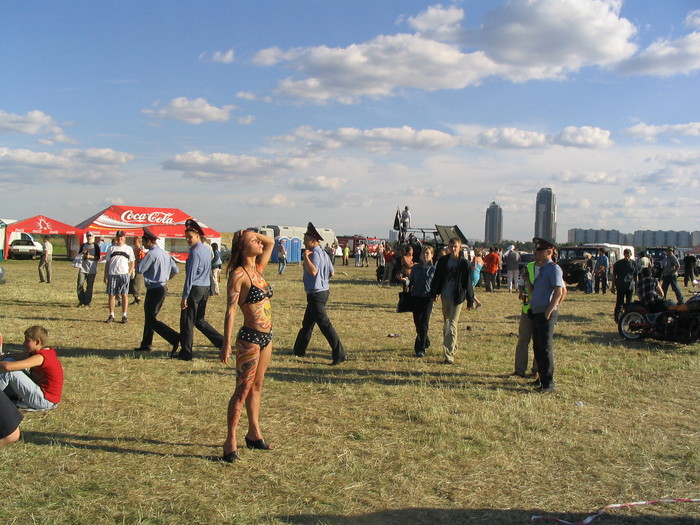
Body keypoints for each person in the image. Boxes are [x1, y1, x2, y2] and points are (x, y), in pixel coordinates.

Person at [219, 230, 275, 462]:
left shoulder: (259, 269)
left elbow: (271, 241)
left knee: (257, 387)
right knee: (242, 390)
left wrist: (252, 234)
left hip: (267, 337)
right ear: (242, 249)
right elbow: (230, 311)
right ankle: (230, 441)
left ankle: (254, 433)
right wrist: (226, 344)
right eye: (253, 241)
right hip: (249, 339)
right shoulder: (239, 275)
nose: (259, 242)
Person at [293, 223, 347, 365]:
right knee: (307, 324)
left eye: (305, 239)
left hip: (316, 293)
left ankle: (340, 354)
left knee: (324, 325)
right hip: (322, 291)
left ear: (313, 240)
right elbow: (332, 273)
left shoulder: (314, 254)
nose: (304, 242)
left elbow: (313, 271)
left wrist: (306, 258)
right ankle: (298, 350)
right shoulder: (324, 253)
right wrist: (323, 280)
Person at [176, 220, 224, 361]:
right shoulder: (206, 250)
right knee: (199, 320)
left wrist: (185, 296)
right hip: (205, 288)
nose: (187, 239)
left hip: (195, 288)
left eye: (190, 237)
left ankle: (186, 353)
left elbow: (190, 276)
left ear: (197, 236)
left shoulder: (195, 252)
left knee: (187, 322)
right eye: (186, 237)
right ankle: (221, 341)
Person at [133, 229, 180, 355]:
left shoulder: (151, 254)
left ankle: (174, 337)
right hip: (162, 287)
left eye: (144, 241)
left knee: (151, 319)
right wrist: (165, 278)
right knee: (150, 317)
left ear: (148, 241)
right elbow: (175, 270)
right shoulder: (164, 253)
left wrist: (137, 256)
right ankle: (146, 344)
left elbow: (140, 269)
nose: (143, 244)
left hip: (154, 289)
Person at [529, 238, 566, 393]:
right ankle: (540, 378)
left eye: (539, 252)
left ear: (549, 252)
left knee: (544, 348)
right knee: (537, 347)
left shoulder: (553, 269)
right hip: (536, 312)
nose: (536, 255)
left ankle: (548, 383)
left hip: (545, 314)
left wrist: (549, 311)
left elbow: (559, 291)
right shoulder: (543, 269)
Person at [430, 237, 474, 364]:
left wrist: (470, 300)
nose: (453, 249)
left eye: (455, 247)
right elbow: (437, 278)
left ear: (459, 248)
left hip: (457, 297)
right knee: (446, 324)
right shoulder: (443, 261)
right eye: (451, 247)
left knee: (452, 324)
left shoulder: (464, 263)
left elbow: (468, 283)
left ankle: (448, 355)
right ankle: (452, 347)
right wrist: (434, 293)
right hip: (445, 295)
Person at [0, 325, 63, 410]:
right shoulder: (37, 352)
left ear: (37, 341)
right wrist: (4, 356)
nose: (24, 343)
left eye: (27, 340)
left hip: (45, 401)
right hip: (39, 394)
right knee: (9, 360)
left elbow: (7, 367)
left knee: (10, 372)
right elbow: (10, 357)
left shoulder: (41, 357)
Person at [406, 245, 436, 357]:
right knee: (417, 322)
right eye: (423, 253)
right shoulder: (415, 268)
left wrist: (437, 294)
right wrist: (405, 281)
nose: (425, 255)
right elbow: (411, 281)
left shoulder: (433, 270)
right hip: (416, 296)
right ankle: (426, 340)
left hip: (428, 298)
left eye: (427, 253)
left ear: (432, 255)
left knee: (424, 323)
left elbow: (436, 284)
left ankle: (420, 348)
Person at [512, 258, 539, 378]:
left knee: (539, 342)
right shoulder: (528, 267)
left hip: (541, 310)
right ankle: (519, 370)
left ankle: (537, 370)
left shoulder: (550, 269)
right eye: (535, 253)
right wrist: (522, 291)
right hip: (527, 309)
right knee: (523, 340)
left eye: (538, 253)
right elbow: (521, 285)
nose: (536, 256)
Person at [103, 230, 135, 324]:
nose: (120, 239)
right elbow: (107, 263)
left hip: (124, 274)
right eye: (118, 237)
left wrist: (129, 273)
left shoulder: (128, 248)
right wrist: (106, 275)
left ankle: (124, 315)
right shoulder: (111, 248)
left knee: (124, 294)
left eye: (121, 237)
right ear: (116, 238)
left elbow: (132, 262)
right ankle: (111, 315)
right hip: (112, 274)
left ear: (124, 238)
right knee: (111, 294)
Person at [77, 232, 100, 307]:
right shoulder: (83, 245)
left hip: (91, 269)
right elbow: (79, 255)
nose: (89, 237)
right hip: (82, 268)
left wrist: (90, 256)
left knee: (89, 286)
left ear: (92, 237)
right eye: (88, 236)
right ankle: (81, 301)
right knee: (80, 284)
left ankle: (87, 302)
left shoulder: (95, 246)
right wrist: (83, 253)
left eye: (90, 236)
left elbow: (98, 257)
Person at [613, 248, 637, 321]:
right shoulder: (618, 263)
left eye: (628, 255)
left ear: (630, 255)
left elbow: (635, 276)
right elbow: (614, 275)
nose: (627, 257)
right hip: (621, 285)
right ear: (624, 255)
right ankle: (617, 317)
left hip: (630, 285)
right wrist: (612, 286)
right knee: (619, 302)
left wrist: (636, 286)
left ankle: (627, 317)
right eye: (626, 255)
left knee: (629, 303)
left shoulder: (634, 264)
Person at [129, 236, 145, 305]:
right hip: (134, 268)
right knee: (133, 282)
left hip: (138, 269)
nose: (133, 243)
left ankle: (137, 298)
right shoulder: (134, 250)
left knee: (137, 283)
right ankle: (135, 297)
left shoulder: (141, 250)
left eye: (135, 241)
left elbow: (141, 260)